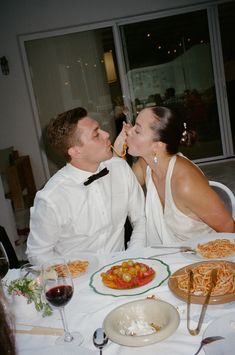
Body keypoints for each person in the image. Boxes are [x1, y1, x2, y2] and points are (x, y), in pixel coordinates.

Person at [26, 107, 146, 266]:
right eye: (96, 134)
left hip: (123, 269)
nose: (106, 134)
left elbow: (141, 219)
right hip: (78, 283)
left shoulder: (120, 169)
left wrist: (132, 258)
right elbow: (37, 253)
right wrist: (71, 275)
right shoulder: (52, 197)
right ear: (76, 151)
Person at [114, 106, 235, 245]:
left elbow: (229, 229)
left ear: (157, 145)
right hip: (166, 258)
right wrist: (118, 150)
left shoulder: (185, 182)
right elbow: (120, 189)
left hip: (200, 259)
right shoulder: (146, 164)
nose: (128, 131)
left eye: (137, 130)